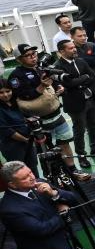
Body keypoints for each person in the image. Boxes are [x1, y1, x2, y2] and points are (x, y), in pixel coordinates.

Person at [8, 43, 87, 178]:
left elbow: (54, 81)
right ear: (19, 60)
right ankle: (52, 176)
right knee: (46, 151)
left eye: (34, 54)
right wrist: (41, 87)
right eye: (28, 55)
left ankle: (72, 170)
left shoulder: (41, 68)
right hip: (39, 122)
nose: (33, 57)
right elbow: (23, 95)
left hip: (56, 115)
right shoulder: (16, 76)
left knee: (64, 143)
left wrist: (59, 87)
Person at [0, 161, 75, 249]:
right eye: (25, 178)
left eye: (30, 172)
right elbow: (41, 229)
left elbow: (73, 198)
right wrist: (63, 214)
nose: (31, 177)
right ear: (12, 184)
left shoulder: (39, 183)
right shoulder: (10, 209)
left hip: (66, 248)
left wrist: (54, 193)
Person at [53, 39, 95, 167]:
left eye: (74, 47)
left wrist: (78, 82)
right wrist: (83, 78)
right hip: (75, 104)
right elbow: (68, 83)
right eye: (70, 48)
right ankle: (81, 156)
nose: (74, 49)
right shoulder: (58, 67)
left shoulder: (80, 61)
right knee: (79, 130)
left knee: (93, 125)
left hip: (89, 99)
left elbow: (92, 75)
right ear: (62, 51)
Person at [0, 79, 38, 172]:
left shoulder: (15, 102)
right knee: (19, 171)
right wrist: (26, 140)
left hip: (27, 141)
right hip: (12, 146)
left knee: (33, 167)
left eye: (8, 91)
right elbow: (7, 131)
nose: (5, 95)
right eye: (1, 92)